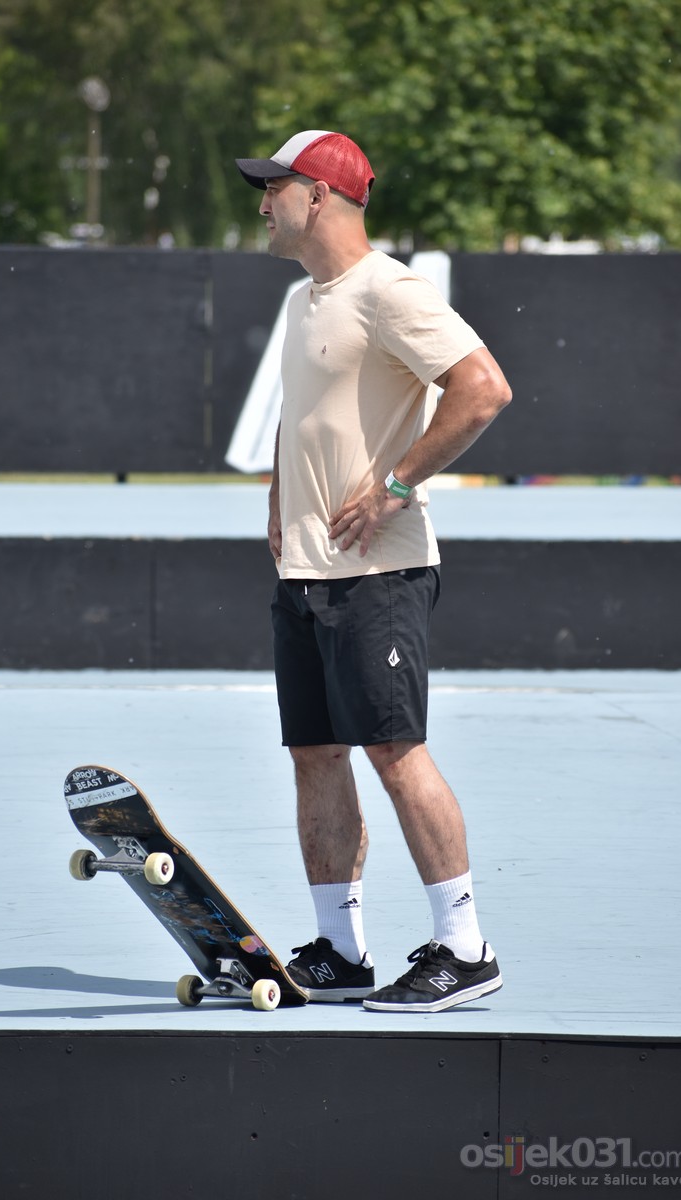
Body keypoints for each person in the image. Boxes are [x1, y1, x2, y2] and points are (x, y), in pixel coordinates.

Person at [235, 130, 511, 1012]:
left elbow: (483, 388)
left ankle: (465, 948)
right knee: (315, 754)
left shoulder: (390, 290)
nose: (262, 203)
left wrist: (396, 485)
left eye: (274, 187)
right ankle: (342, 951)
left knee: (394, 750)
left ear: (318, 196)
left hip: (379, 575)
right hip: (306, 572)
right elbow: (302, 415)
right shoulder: (303, 300)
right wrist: (280, 496)